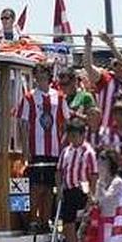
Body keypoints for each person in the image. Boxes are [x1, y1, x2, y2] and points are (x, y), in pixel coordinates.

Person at [15, 61, 70, 231]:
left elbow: (67, 121)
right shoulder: (29, 97)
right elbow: (22, 124)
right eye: (36, 74)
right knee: (36, 187)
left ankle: (45, 221)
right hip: (35, 149)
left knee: (48, 187)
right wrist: (25, 149)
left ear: (48, 75)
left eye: (42, 73)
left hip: (54, 150)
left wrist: (64, 146)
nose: (39, 77)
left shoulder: (59, 97)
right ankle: (33, 220)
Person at [57, 118, 97, 242]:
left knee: (83, 225)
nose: (72, 139)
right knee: (68, 225)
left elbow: (93, 174)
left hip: (82, 191)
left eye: (74, 136)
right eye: (70, 136)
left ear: (82, 135)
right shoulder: (66, 151)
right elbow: (59, 171)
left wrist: (91, 194)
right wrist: (59, 188)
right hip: (68, 190)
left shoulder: (89, 152)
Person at [83, 29, 122, 129]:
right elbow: (88, 67)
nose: (119, 68)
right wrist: (88, 45)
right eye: (116, 65)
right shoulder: (106, 78)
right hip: (107, 131)